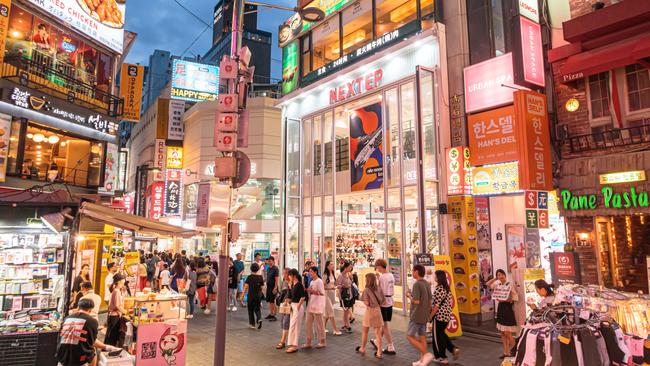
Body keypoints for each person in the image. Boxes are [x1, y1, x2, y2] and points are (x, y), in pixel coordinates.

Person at [57, 298, 120, 366]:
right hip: (78, 360)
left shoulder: (67, 318)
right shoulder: (92, 321)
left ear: (78, 307)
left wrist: (106, 347)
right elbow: (92, 342)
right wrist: (106, 347)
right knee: (93, 351)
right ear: (91, 309)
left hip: (61, 356)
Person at [487, 269, 519, 358]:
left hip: (507, 308)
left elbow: (515, 296)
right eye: (498, 275)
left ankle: (516, 349)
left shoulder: (510, 284)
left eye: (501, 274)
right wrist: (494, 278)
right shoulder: (497, 284)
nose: (500, 276)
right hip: (500, 307)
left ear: (505, 275)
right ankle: (506, 353)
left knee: (507, 332)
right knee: (502, 333)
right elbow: (488, 284)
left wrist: (510, 300)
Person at [407, 264, 434, 366]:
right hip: (424, 314)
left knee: (409, 336)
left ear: (417, 272)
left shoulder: (417, 284)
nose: (412, 273)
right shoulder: (426, 283)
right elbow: (430, 300)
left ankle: (426, 354)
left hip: (417, 315)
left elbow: (416, 301)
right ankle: (422, 360)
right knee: (422, 337)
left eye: (413, 271)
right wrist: (428, 312)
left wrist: (409, 295)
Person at [431, 270, 460, 364]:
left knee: (437, 337)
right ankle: (452, 349)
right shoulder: (447, 288)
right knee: (441, 335)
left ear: (439, 277)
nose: (434, 277)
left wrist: (430, 316)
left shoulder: (439, 289)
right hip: (447, 315)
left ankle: (442, 357)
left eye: (435, 276)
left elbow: (436, 305)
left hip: (439, 316)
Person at [356, 272, 385, 359]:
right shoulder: (379, 288)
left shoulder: (366, 290)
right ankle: (379, 352)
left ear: (368, 280)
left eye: (365, 279)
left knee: (365, 331)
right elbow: (383, 301)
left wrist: (364, 302)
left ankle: (362, 348)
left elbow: (366, 302)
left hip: (370, 312)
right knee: (378, 333)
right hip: (378, 311)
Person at [373, 258, 396, 355]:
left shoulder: (383, 277)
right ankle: (376, 341)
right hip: (390, 301)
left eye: (376, 267)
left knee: (384, 325)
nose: (376, 269)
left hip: (384, 302)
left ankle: (390, 346)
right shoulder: (391, 275)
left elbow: (380, 291)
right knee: (384, 323)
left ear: (379, 266)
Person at [303, 266, 326, 349]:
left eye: (311, 272)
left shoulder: (319, 281)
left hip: (317, 304)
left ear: (316, 272)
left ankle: (322, 341)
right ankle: (308, 341)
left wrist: (312, 291)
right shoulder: (312, 282)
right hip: (311, 303)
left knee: (319, 324)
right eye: (309, 272)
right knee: (308, 323)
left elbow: (322, 293)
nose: (310, 273)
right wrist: (310, 291)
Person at [286, 268, 306, 353]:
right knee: (292, 326)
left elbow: (303, 296)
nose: (289, 277)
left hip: (297, 307)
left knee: (295, 326)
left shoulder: (299, 285)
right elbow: (291, 297)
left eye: (290, 275)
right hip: (293, 306)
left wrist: (298, 305)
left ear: (294, 276)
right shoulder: (293, 284)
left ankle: (294, 345)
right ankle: (292, 344)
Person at [105, 274, 127, 347]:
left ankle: (106, 350)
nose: (124, 281)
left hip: (112, 315)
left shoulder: (115, 290)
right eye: (123, 280)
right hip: (114, 316)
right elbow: (118, 306)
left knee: (110, 335)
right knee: (112, 336)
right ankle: (109, 351)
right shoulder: (116, 291)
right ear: (119, 281)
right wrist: (125, 312)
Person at [241, 262, 265, 329]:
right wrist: (262, 295)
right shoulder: (260, 277)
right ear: (258, 269)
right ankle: (259, 318)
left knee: (250, 309)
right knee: (257, 309)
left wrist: (242, 296)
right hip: (258, 296)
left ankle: (252, 324)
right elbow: (262, 288)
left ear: (251, 269)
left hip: (250, 296)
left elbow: (245, 287)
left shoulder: (249, 277)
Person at [323, 261, 341, 336]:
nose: (333, 265)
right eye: (331, 264)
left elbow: (334, 284)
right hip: (326, 295)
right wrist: (332, 288)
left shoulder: (333, 274)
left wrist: (337, 286)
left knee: (327, 313)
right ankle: (335, 329)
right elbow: (323, 287)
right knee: (331, 312)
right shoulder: (325, 275)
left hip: (331, 295)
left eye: (333, 264)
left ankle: (322, 328)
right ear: (327, 266)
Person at [275, 268, 291, 350]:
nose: (283, 275)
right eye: (283, 273)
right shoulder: (284, 282)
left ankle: (283, 341)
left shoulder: (292, 283)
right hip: (283, 305)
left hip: (289, 305)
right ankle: (285, 339)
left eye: (285, 273)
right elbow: (282, 293)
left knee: (286, 322)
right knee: (283, 322)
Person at [336, 261, 354, 333]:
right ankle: (348, 326)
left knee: (346, 311)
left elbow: (351, 283)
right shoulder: (340, 275)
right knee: (346, 311)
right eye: (350, 267)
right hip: (344, 296)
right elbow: (337, 285)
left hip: (349, 295)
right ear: (346, 267)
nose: (351, 268)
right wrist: (344, 286)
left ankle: (345, 325)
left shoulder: (348, 274)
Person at [265, 256, 280, 321]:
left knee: (273, 301)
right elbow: (267, 277)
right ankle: (271, 314)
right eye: (268, 261)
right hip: (268, 287)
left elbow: (276, 279)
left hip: (273, 287)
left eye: (270, 261)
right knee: (270, 301)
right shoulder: (268, 268)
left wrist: (275, 288)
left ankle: (274, 315)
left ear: (273, 261)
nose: (269, 262)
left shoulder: (275, 268)